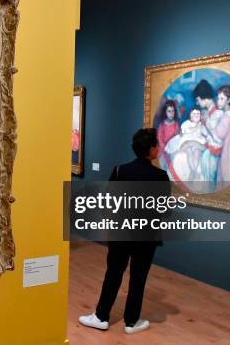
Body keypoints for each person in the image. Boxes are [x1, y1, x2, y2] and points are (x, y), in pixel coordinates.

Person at [78, 128, 169, 335]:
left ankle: (101, 317)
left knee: (113, 273)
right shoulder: (160, 177)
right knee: (139, 277)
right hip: (147, 236)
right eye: (157, 145)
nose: (159, 149)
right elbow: (165, 211)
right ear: (151, 149)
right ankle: (131, 322)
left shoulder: (120, 171)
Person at [156, 100, 179, 171]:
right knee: (163, 164)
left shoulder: (176, 124)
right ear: (165, 112)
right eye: (169, 111)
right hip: (163, 150)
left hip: (173, 149)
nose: (171, 113)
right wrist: (165, 148)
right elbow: (159, 138)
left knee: (176, 162)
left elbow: (177, 137)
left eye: (173, 111)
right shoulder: (162, 125)